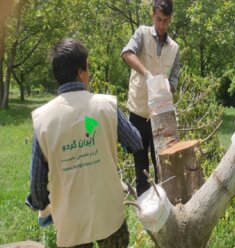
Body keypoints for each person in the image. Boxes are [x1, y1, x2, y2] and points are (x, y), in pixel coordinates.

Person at [26, 38, 143, 248]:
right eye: (87, 68)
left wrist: (42, 205)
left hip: (71, 222)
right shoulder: (105, 106)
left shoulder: (43, 120)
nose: (89, 74)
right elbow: (135, 141)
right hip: (108, 214)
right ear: (81, 72)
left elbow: (37, 184)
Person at [121, 0, 180, 196]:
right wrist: (147, 74)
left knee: (163, 165)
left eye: (165, 20)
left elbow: (174, 82)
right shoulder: (142, 33)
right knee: (141, 168)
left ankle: (164, 209)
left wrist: (164, 87)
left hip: (161, 117)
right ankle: (146, 213)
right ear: (152, 16)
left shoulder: (174, 48)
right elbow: (127, 53)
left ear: (170, 19)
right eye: (158, 19)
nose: (161, 25)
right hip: (138, 113)